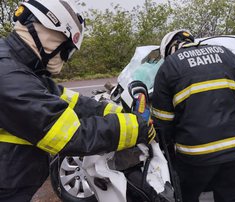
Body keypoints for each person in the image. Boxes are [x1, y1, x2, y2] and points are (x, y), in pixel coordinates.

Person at [0, 0, 155, 201]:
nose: (65, 59)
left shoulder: (23, 69)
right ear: (51, 39)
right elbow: (71, 134)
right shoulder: (9, 77)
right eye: (67, 51)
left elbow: (72, 102)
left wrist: (118, 112)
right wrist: (136, 127)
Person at [152, 29, 235, 202]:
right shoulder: (227, 55)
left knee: (187, 196)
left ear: (170, 49)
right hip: (234, 152)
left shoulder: (169, 66)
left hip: (194, 155)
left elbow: (163, 123)